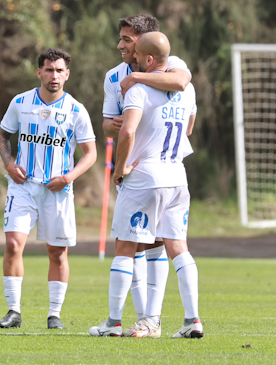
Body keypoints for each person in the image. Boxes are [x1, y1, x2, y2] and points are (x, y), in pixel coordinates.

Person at [89, 32, 202, 339]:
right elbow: (189, 128)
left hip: (144, 178)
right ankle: (192, 320)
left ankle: (113, 323)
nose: (133, 59)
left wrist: (121, 168)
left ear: (148, 59)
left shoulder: (138, 89)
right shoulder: (187, 89)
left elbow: (125, 133)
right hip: (177, 176)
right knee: (178, 248)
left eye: (137, 54)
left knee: (125, 247)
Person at [0, 49, 97, 330]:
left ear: (67, 74)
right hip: (23, 187)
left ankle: (54, 314)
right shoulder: (21, 102)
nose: (54, 75)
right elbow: (3, 135)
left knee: (57, 253)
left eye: (59, 70)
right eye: (49, 70)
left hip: (58, 190)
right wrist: (9, 164)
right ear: (39, 72)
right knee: (13, 245)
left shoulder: (76, 110)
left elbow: (90, 153)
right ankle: (13, 311)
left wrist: (68, 177)